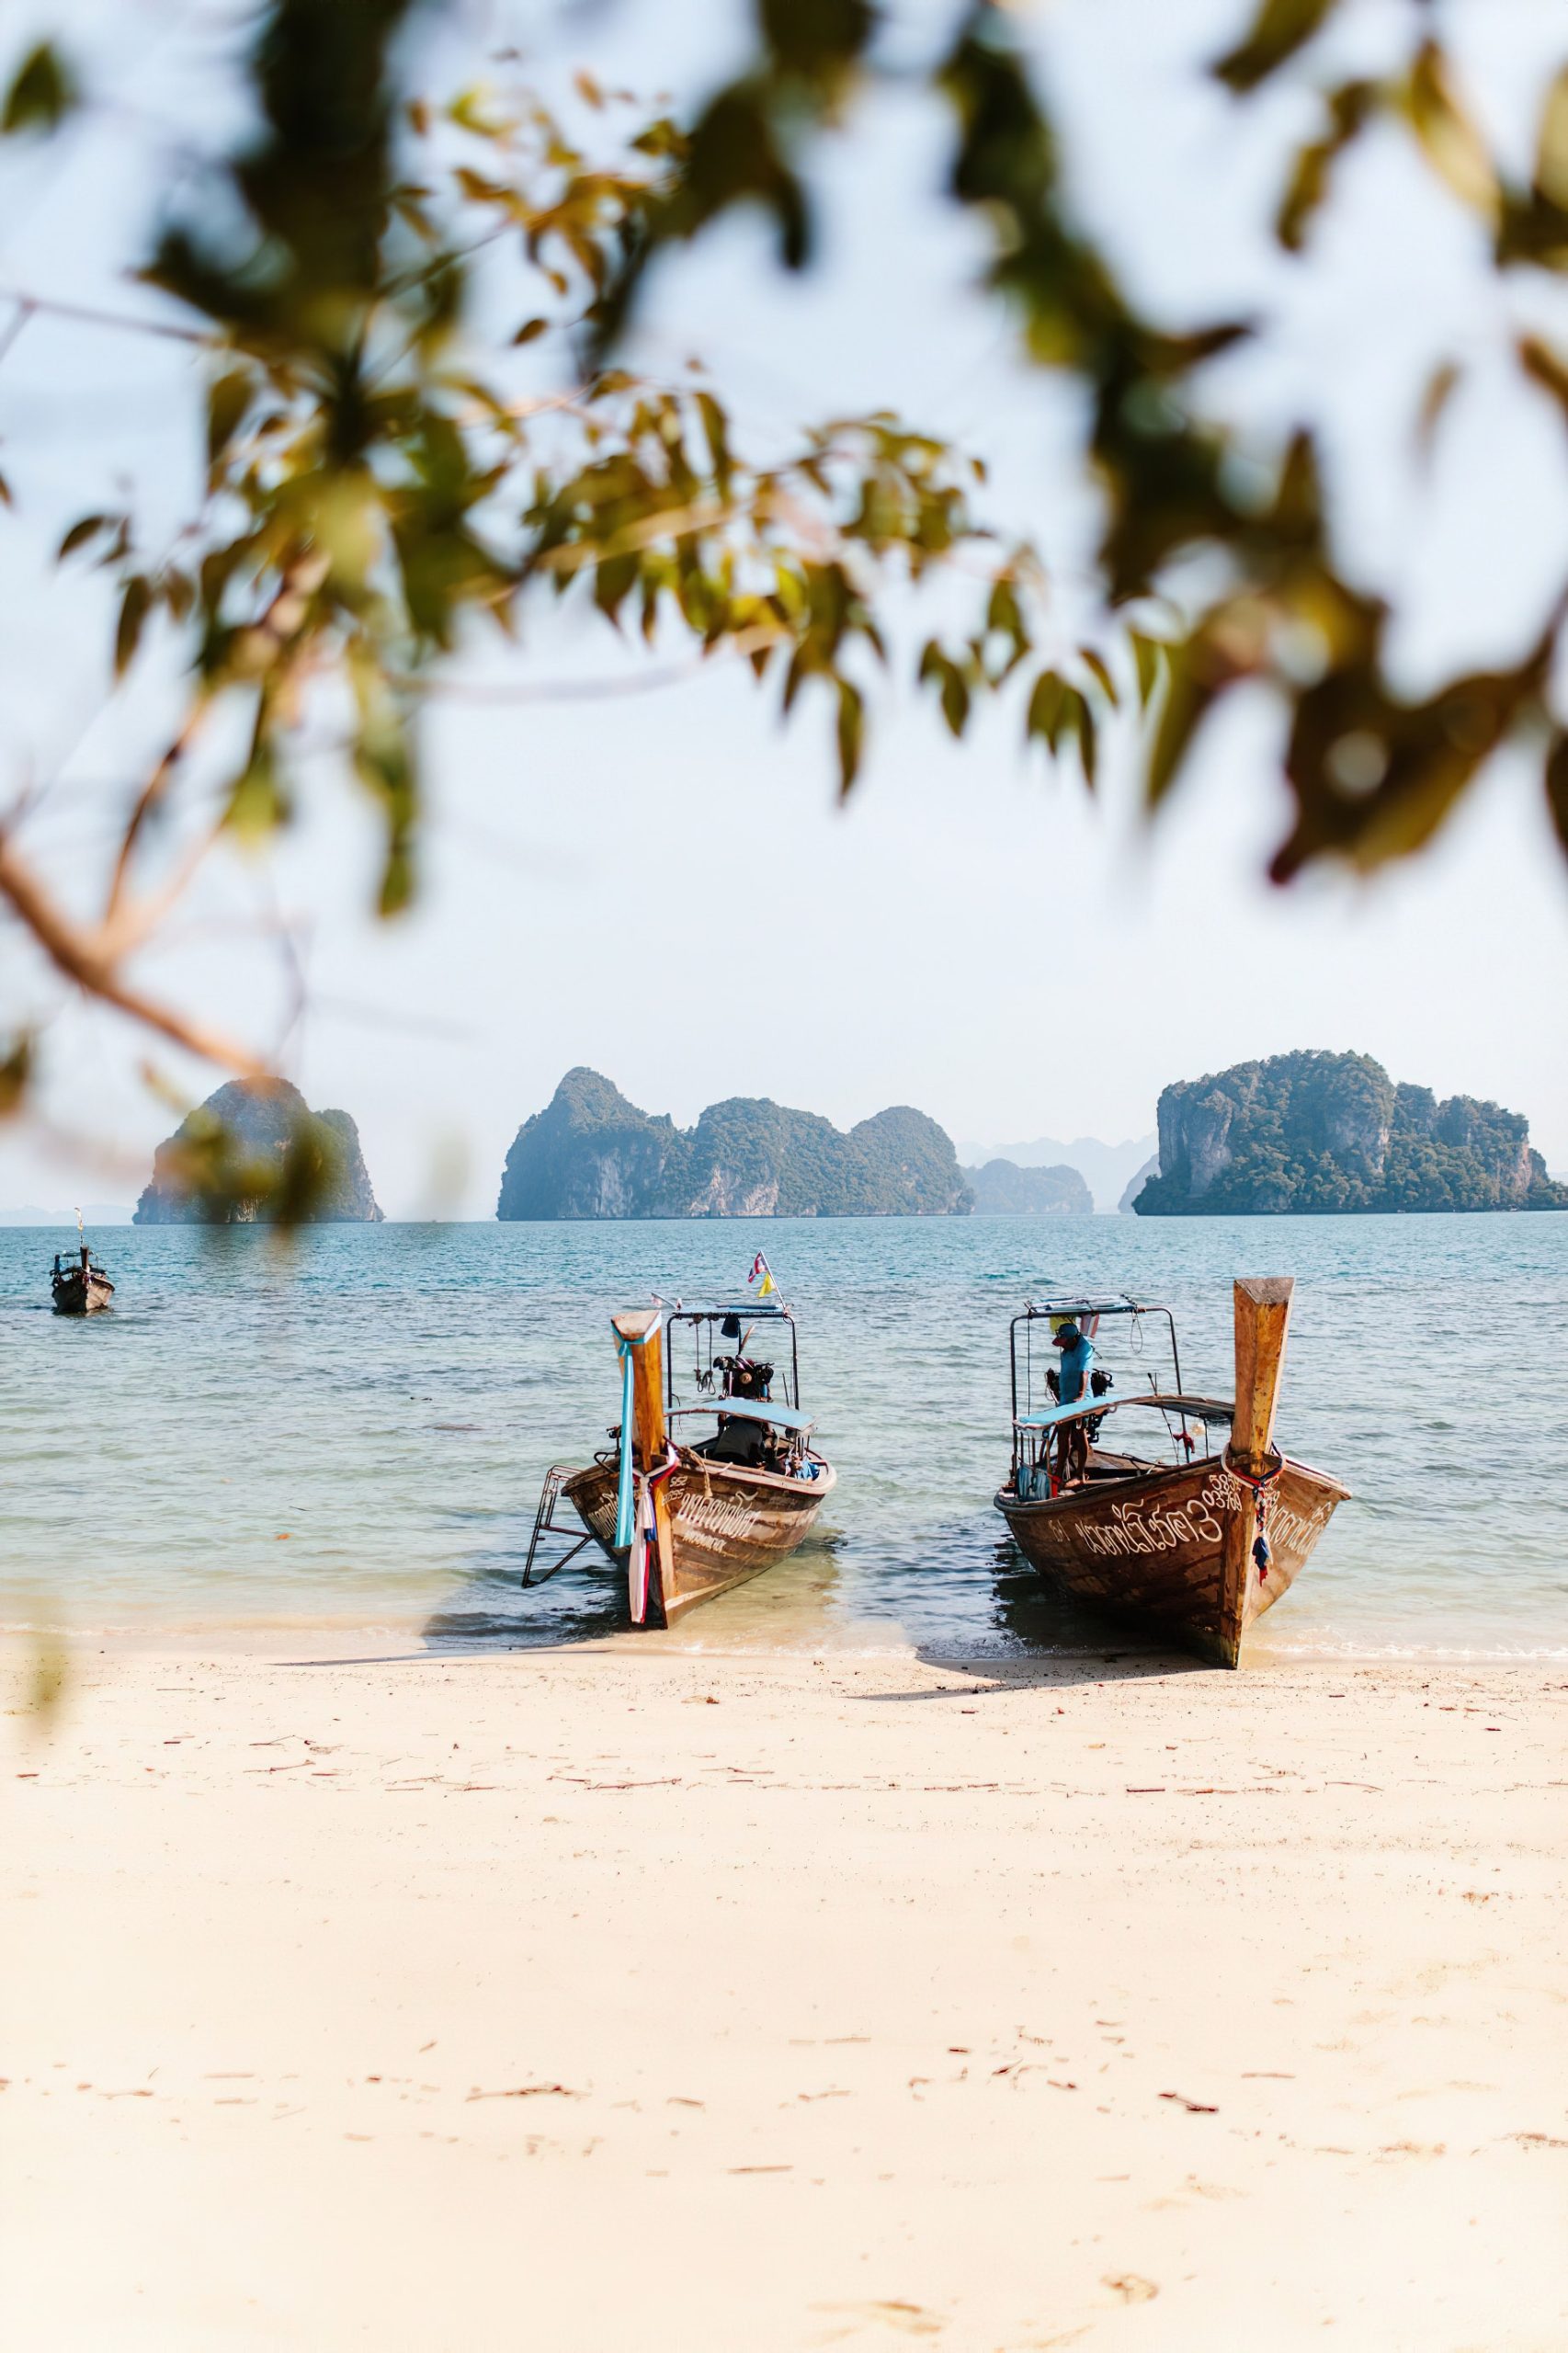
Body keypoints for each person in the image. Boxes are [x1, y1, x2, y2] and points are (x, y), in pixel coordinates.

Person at [1052, 1318, 1096, 1487]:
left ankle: (1079, 1475)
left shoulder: (1085, 1349)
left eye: (1065, 1342)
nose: (1063, 1346)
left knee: (1079, 1432)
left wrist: (1081, 1395)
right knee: (1063, 1433)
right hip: (1066, 1398)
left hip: (1081, 1398)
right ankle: (1058, 1472)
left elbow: (1084, 1372)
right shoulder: (1066, 1351)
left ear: (1073, 1339)